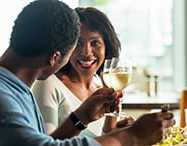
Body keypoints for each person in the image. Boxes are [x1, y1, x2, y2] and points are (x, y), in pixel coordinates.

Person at [0, 0, 174, 146]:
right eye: (73, 48)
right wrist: (129, 137)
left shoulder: (9, 85)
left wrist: (81, 118)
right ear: (54, 58)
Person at [32, 7, 132, 137]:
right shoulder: (48, 84)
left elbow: (102, 145)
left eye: (95, 43)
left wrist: (119, 130)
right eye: (78, 43)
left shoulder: (104, 85)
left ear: (107, 46)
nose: (86, 52)